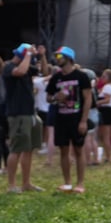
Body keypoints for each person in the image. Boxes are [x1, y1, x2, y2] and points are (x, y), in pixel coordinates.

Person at [46, 46, 92, 194]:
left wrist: (84, 120)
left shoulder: (81, 76)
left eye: (60, 57)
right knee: (63, 150)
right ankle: (67, 183)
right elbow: (49, 97)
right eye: (56, 57)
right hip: (61, 118)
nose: (57, 59)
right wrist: (55, 98)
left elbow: (88, 98)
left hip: (76, 117)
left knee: (79, 150)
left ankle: (80, 183)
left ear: (69, 58)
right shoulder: (56, 77)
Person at [3, 43, 48, 193]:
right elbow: (20, 71)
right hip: (18, 113)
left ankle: (26, 183)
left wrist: (42, 56)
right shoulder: (8, 67)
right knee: (16, 149)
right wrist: (29, 54)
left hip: (30, 112)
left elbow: (44, 71)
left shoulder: (28, 65)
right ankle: (11, 185)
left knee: (28, 149)